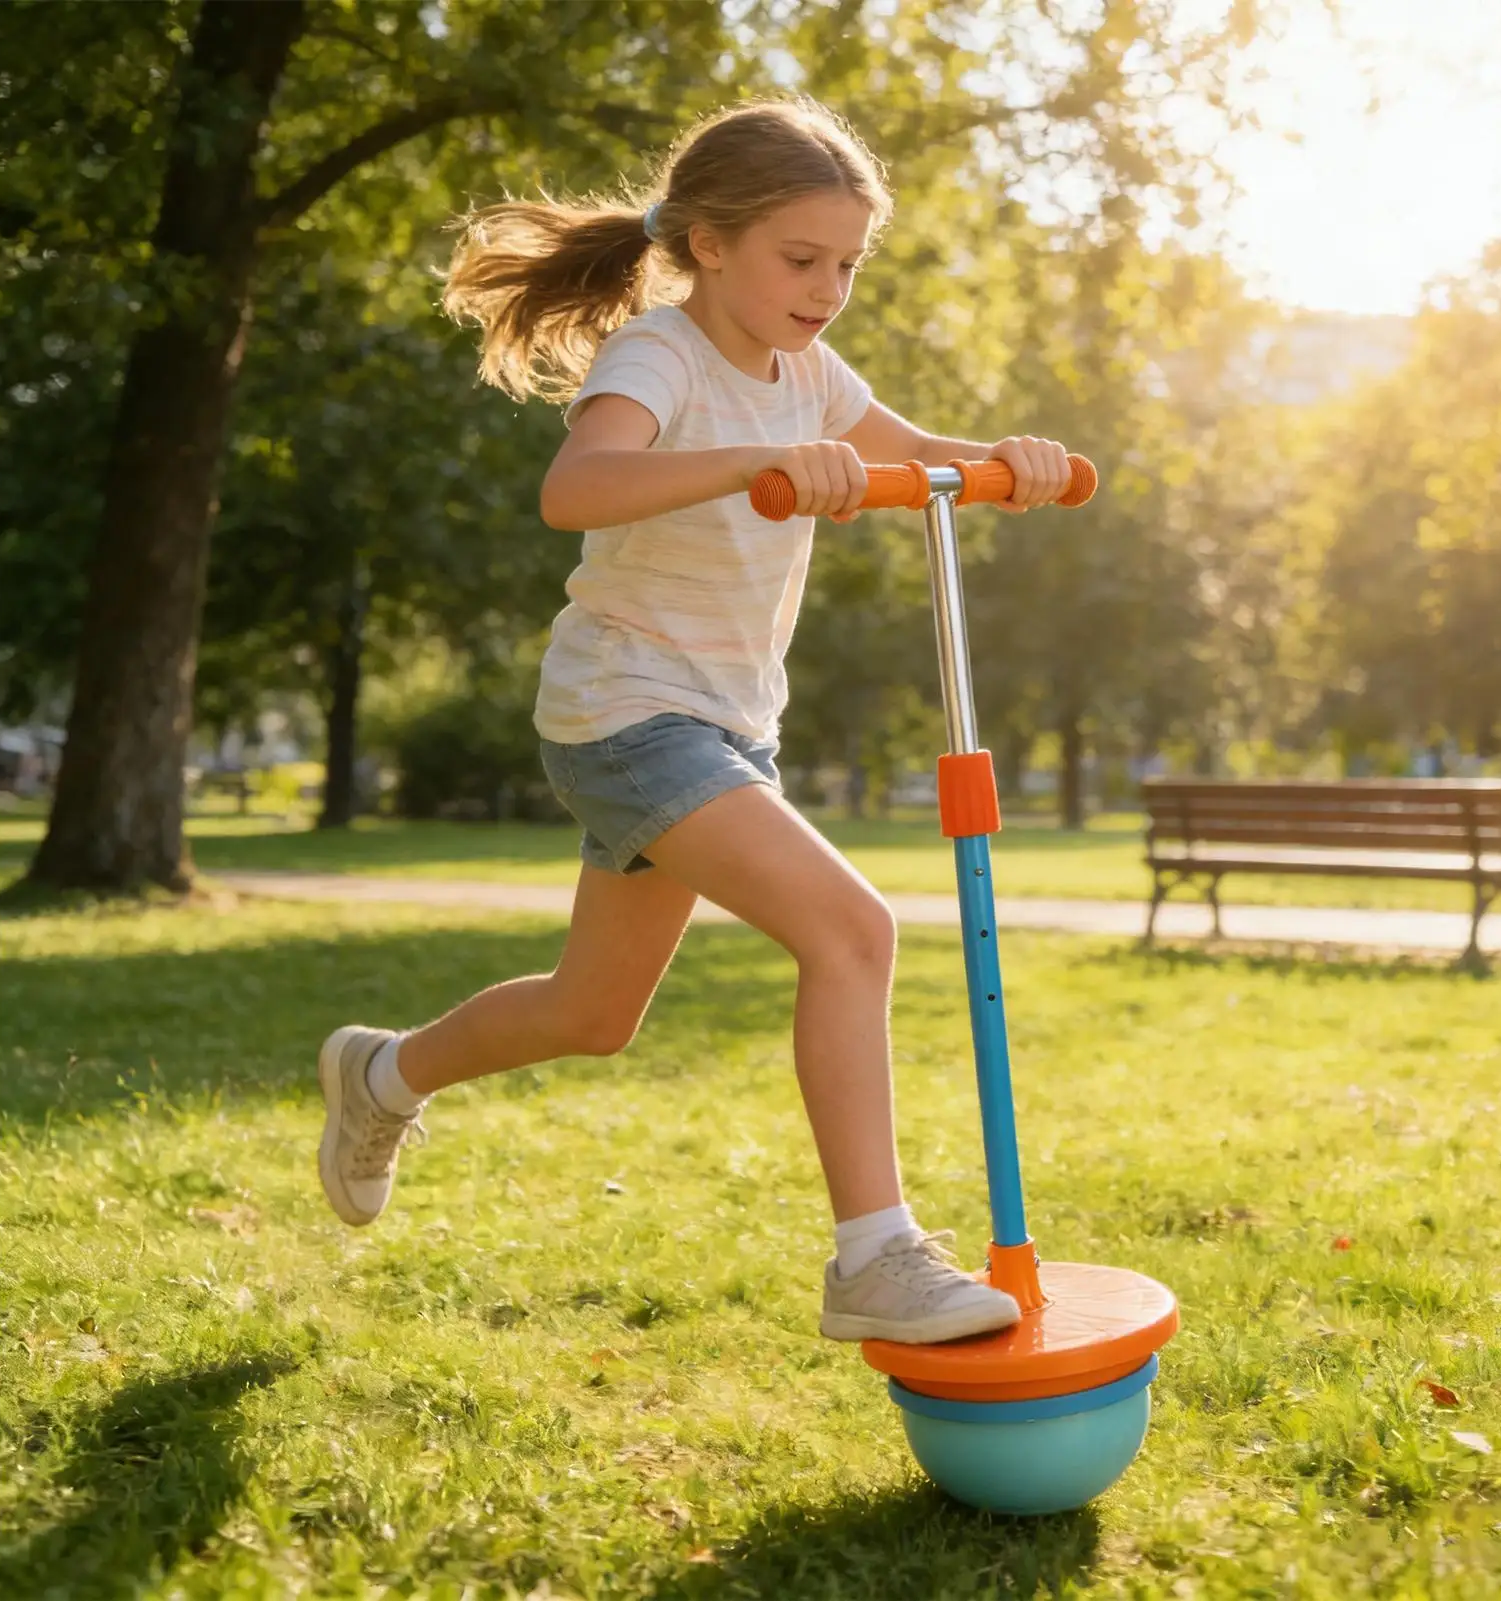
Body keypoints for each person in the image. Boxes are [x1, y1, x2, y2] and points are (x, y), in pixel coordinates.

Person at [316, 98, 1076, 1345]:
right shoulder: (658, 357)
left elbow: (914, 452)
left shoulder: (810, 371)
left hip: (726, 721)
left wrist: (1006, 459)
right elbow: (577, 488)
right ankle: (873, 1256)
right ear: (709, 243)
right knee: (852, 929)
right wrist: (751, 461)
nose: (827, 288)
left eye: (846, 264)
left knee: (590, 1013)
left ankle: (380, 1071)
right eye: (801, 259)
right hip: (626, 711)